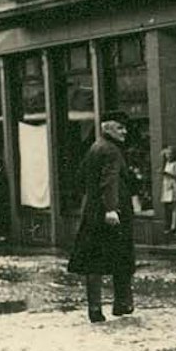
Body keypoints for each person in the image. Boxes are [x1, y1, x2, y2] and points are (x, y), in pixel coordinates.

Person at [68, 119, 134, 322]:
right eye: (120, 127)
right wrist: (111, 208)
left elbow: (80, 178)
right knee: (122, 255)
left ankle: (95, 309)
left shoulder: (95, 147)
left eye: (124, 127)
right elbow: (110, 179)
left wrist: (92, 201)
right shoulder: (112, 151)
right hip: (111, 212)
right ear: (108, 129)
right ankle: (122, 304)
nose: (125, 131)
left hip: (92, 211)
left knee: (93, 260)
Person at [159, 145, 176, 233]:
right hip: (166, 185)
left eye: (170, 154)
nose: (168, 156)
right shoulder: (166, 164)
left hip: (173, 185)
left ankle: (174, 226)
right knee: (167, 206)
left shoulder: (175, 164)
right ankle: (167, 225)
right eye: (167, 154)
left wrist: (166, 173)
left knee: (174, 206)